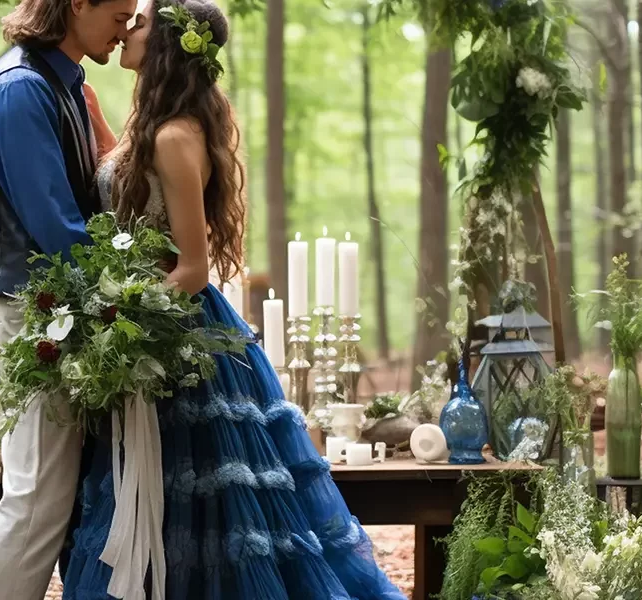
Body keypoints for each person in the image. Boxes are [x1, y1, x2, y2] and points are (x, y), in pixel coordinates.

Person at [64, 0, 409, 598]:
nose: (126, 30)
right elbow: (136, 202)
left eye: (138, 23)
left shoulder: (174, 136)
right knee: (163, 498)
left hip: (177, 332)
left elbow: (194, 268)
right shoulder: (155, 126)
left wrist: (123, 325)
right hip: (150, 316)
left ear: (167, 45)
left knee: (203, 503)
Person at [0, 0, 136, 598]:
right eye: (117, 14)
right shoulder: (20, 89)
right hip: (32, 312)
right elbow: (56, 228)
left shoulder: (66, 84)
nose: (125, 28)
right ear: (76, 5)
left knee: (54, 497)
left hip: (64, 307)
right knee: (36, 496)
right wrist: (132, 283)